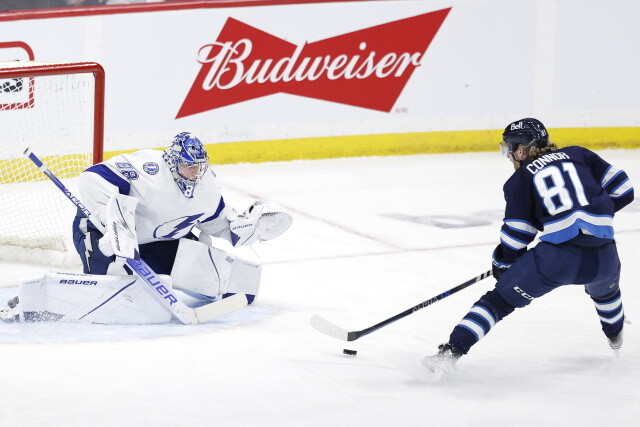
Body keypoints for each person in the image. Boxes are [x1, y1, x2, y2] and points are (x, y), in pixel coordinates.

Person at [0, 132, 292, 324]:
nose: (195, 173)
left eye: (199, 167)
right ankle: (33, 298)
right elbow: (91, 178)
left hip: (153, 240)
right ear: (171, 161)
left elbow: (217, 222)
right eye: (189, 167)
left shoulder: (206, 187)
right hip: (101, 236)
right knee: (123, 296)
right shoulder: (147, 170)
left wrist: (247, 228)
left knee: (232, 281)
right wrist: (113, 225)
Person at [422, 118, 634, 376]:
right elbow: (624, 189)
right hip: (605, 257)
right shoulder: (579, 154)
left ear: (522, 149)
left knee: (498, 301)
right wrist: (593, 216)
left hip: (556, 261)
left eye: (509, 149)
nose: (509, 155)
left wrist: (504, 264)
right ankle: (615, 335)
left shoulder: (520, 179)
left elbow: (517, 235)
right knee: (607, 293)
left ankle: (449, 354)